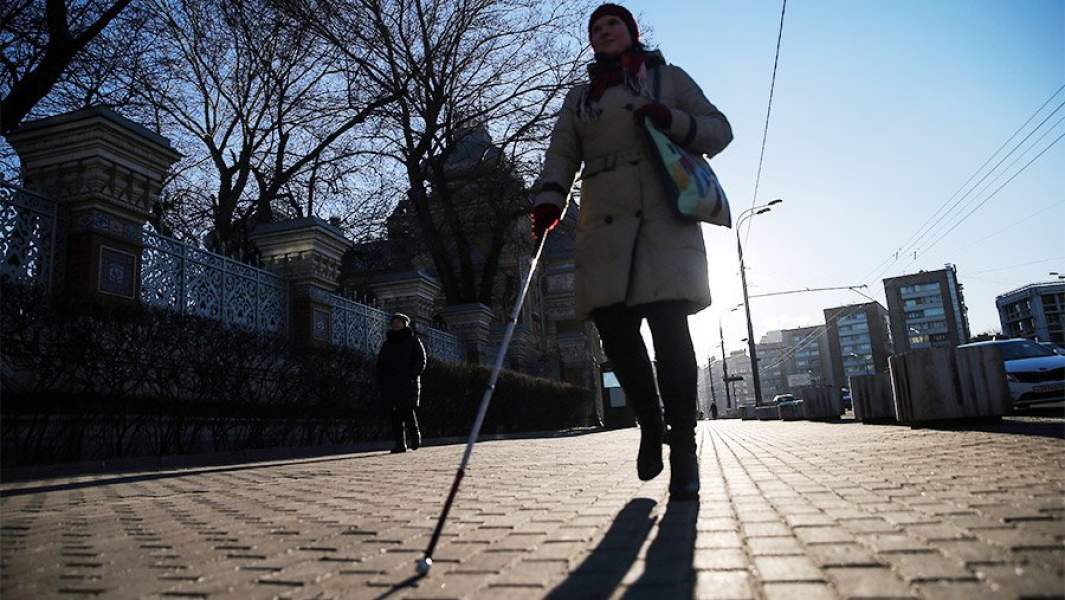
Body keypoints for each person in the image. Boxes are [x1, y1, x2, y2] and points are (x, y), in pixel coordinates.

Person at [530, 3, 733, 500]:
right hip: (603, 224)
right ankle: (650, 422)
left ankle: (683, 447)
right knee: (616, 335)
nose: (604, 32)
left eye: (612, 24)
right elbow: (561, 153)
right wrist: (549, 199)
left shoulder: (667, 78)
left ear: (631, 31)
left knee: (670, 333)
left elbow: (719, 129)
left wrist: (670, 118)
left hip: (664, 218)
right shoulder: (581, 98)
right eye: (596, 28)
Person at [376, 313, 427, 453]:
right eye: (394, 322)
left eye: (399, 322)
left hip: (407, 382)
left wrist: (412, 374)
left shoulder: (413, 341)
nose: (396, 324)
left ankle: (415, 436)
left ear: (405, 324)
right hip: (391, 383)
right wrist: (381, 377)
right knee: (395, 416)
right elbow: (381, 363)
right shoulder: (388, 343)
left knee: (407, 411)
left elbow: (421, 360)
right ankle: (400, 444)